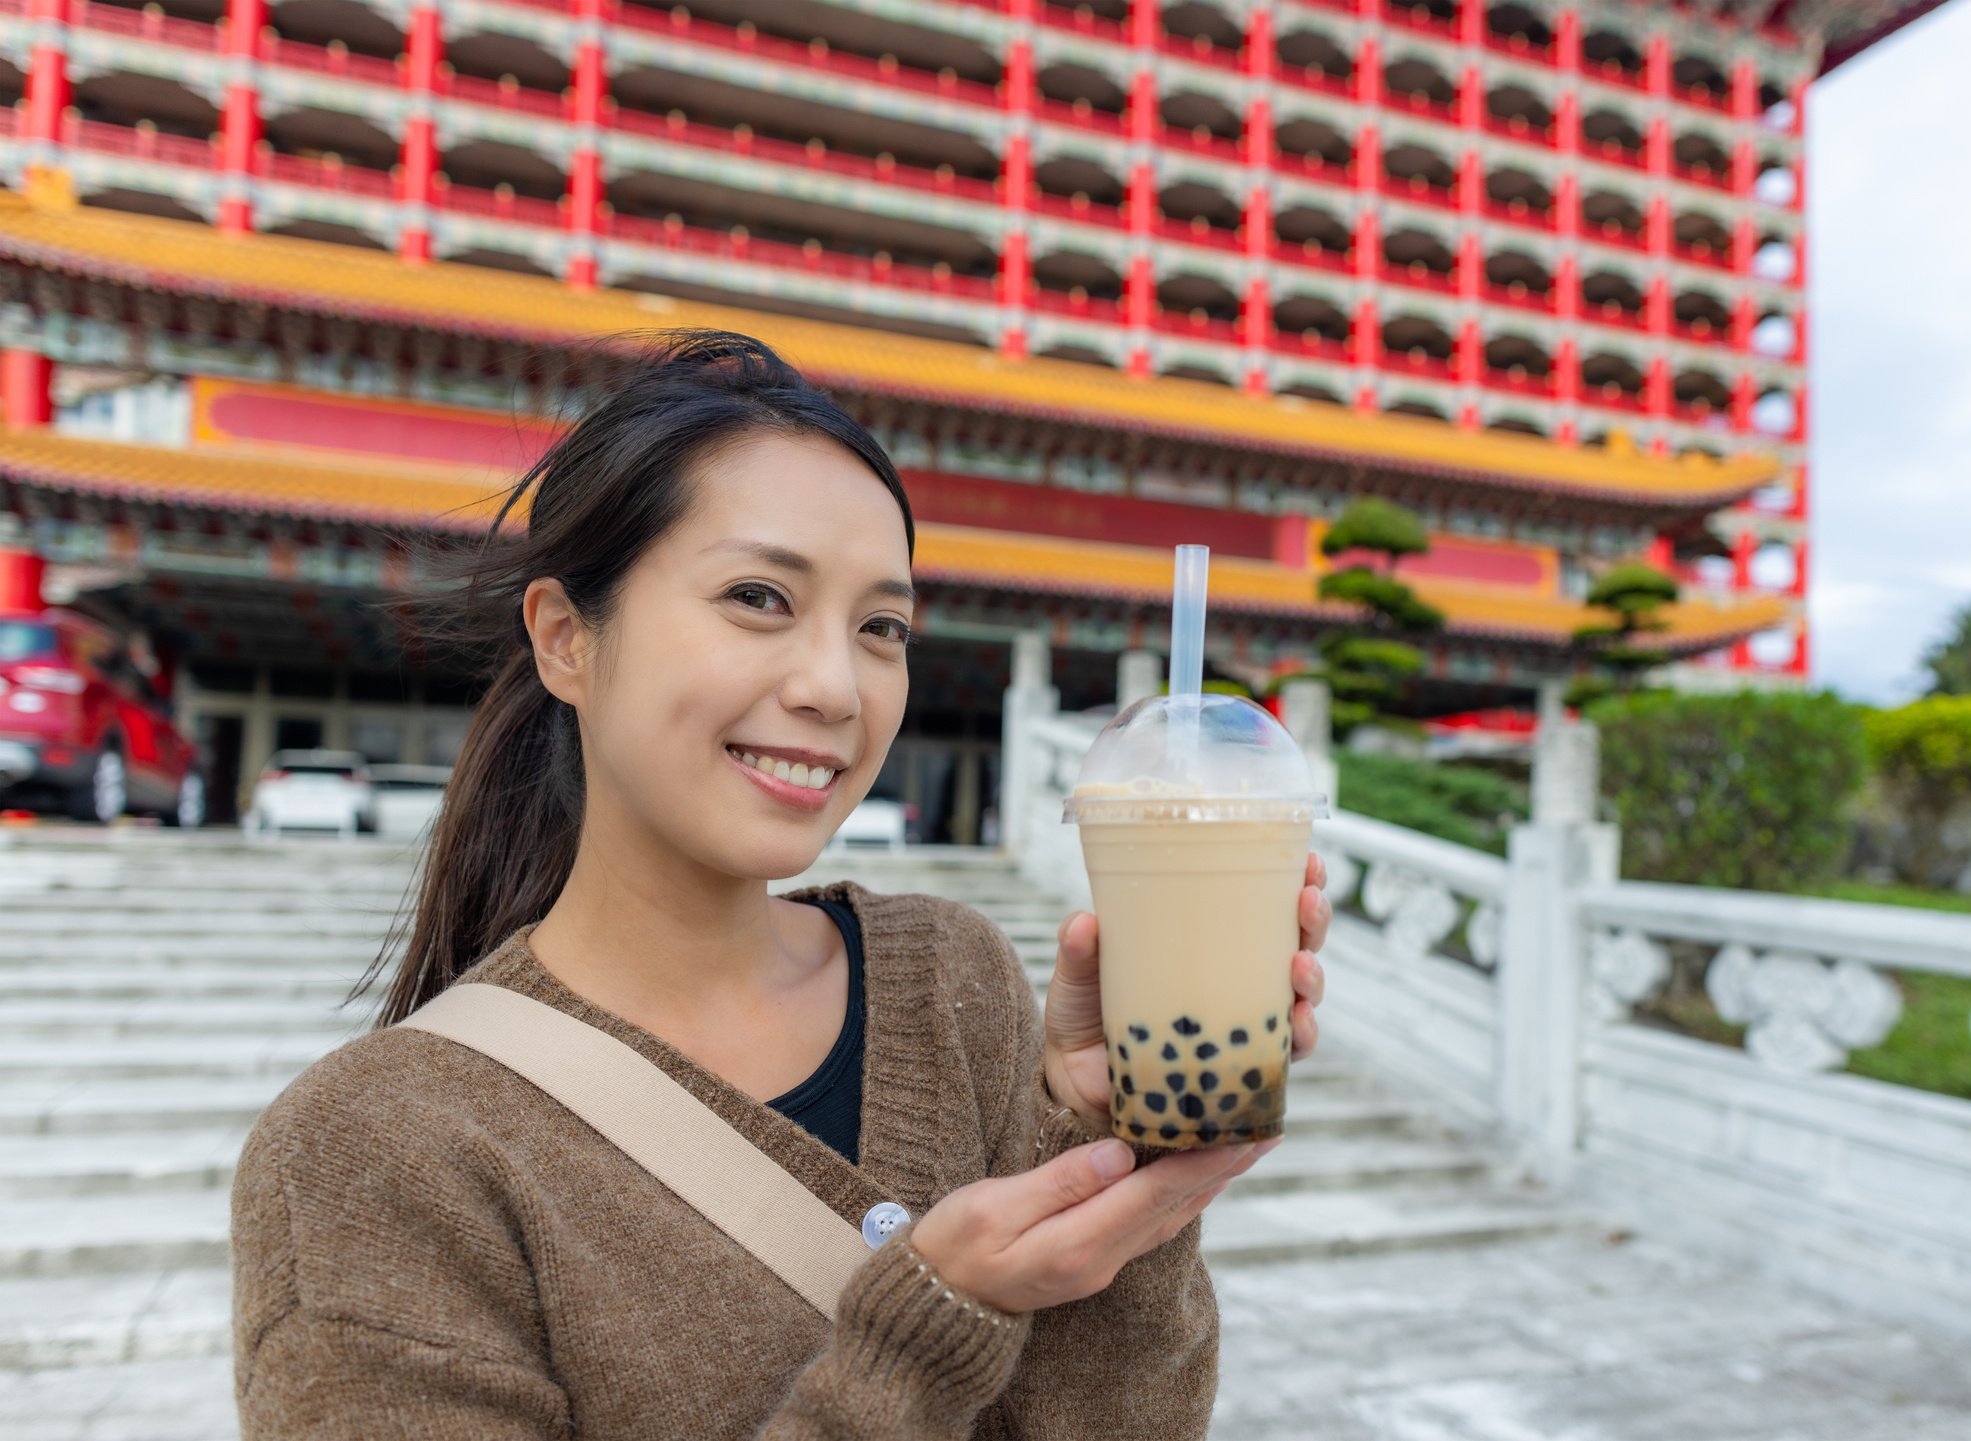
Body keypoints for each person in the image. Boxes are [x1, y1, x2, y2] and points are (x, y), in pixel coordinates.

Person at [228, 330, 1333, 1438]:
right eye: (758, 597)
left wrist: (1115, 1163)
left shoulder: (957, 985)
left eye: (882, 627)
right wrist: (930, 1326)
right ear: (565, 638)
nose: (834, 686)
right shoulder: (374, 1149)